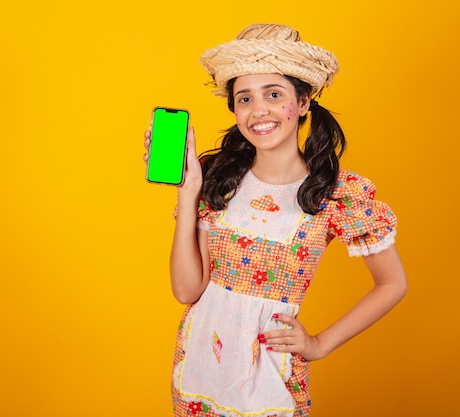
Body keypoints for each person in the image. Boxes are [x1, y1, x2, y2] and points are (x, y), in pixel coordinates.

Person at [142, 23, 407, 417]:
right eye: (244, 98)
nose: (258, 110)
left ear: (302, 103)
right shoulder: (217, 178)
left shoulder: (336, 193)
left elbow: (392, 283)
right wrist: (188, 191)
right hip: (200, 370)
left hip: (273, 378)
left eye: (273, 94)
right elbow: (187, 291)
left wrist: (319, 344)